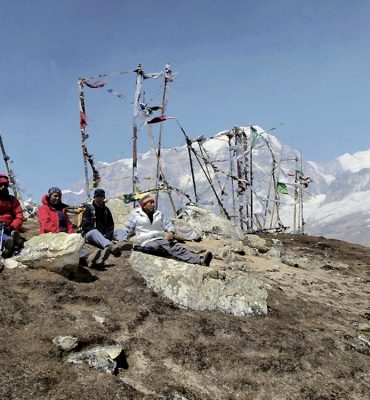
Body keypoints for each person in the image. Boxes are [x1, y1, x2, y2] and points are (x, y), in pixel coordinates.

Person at [116, 193, 212, 266]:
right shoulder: (135, 214)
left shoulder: (158, 214)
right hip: (146, 240)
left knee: (175, 248)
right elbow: (127, 229)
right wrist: (122, 240)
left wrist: (171, 231)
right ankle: (137, 248)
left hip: (161, 238)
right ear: (144, 205)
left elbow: (168, 224)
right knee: (155, 249)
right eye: (150, 202)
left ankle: (200, 260)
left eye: (153, 202)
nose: (153, 204)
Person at [37, 187, 109, 268]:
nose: (57, 198)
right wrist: (61, 235)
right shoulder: (43, 208)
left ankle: (93, 260)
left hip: (64, 236)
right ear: (49, 196)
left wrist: (71, 235)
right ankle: (89, 258)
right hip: (52, 236)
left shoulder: (61, 209)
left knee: (75, 244)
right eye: (55, 196)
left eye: (59, 196)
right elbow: (46, 224)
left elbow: (68, 224)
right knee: (72, 246)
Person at [80, 188, 125, 259]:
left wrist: (108, 235)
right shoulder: (89, 209)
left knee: (120, 231)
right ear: (94, 197)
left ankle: (121, 244)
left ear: (104, 198)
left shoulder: (106, 210)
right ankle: (109, 246)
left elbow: (111, 225)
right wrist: (101, 234)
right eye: (98, 196)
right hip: (90, 234)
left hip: (105, 235)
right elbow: (85, 226)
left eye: (101, 197)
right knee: (94, 232)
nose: (99, 198)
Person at [0, 174, 24, 258]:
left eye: (5, 185)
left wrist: (14, 226)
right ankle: (12, 241)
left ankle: (9, 243)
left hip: (9, 226)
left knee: (6, 234)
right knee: (3, 235)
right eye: (1, 185)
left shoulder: (12, 199)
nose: (3, 187)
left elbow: (19, 214)